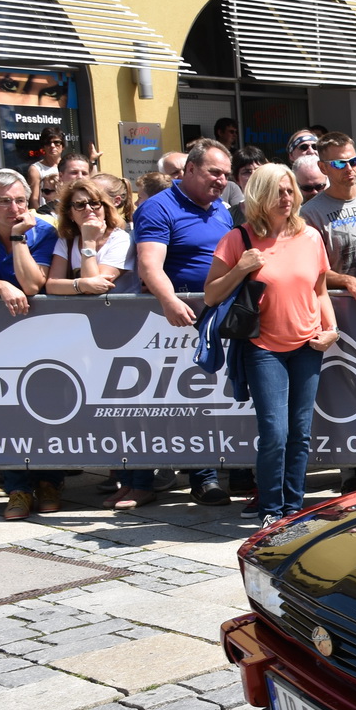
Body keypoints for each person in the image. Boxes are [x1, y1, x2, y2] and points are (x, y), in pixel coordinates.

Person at [204, 164, 336, 526]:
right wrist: (240, 269)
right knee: (275, 433)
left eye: (290, 190)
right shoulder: (238, 240)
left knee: (301, 431)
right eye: (278, 191)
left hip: (308, 344)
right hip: (263, 348)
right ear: (259, 196)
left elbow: (319, 290)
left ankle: (293, 509)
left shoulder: (309, 237)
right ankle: (271, 511)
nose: (286, 198)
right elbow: (212, 295)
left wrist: (332, 328)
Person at [133, 139, 235, 506]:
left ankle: (226, 472)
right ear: (190, 170)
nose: (222, 180)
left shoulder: (220, 208)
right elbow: (149, 265)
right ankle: (202, 478)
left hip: (220, 314)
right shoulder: (159, 208)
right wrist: (170, 299)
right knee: (185, 403)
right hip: (178, 321)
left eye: (225, 174)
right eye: (214, 172)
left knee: (217, 399)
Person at [0, 170, 61, 519]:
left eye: (20, 199)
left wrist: (20, 238)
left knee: (46, 406)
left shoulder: (44, 231)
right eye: (3, 201)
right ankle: (17, 486)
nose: (13, 207)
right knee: (6, 409)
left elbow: (34, 284)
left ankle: (49, 481)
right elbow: (14, 286)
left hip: (42, 337)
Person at [302, 133, 356, 307]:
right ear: (323, 168)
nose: (349, 168)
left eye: (353, 161)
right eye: (339, 163)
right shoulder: (310, 214)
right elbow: (309, 270)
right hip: (342, 308)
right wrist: (346, 280)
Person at [45, 177, 135, 298]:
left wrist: (89, 241)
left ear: (105, 208)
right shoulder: (66, 241)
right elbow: (52, 285)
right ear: (70, 213)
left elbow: (94, 289)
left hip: (121, 312)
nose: (88, 209)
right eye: (80, 205)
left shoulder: (121, 239)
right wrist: (82, 284)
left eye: (95, 203)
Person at [25, 129, 64, 197]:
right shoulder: (36, 169)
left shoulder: (69, 166)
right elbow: (34, 199)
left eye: (56, 142)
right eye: (48, 143)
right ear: (43, 146)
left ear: (62, 146)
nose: (52, 145)